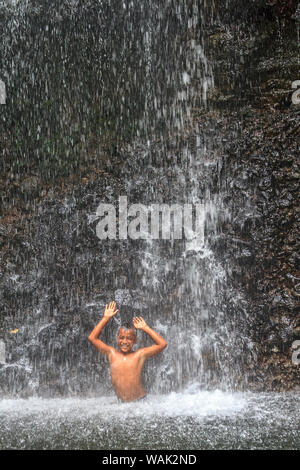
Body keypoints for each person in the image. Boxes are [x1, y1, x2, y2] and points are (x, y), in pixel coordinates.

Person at [88, 301, 167, 402]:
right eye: (122, 338)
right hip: (122, 406)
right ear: (117, 339)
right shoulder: (111, 353)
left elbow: (162, 344)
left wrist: (145, 328)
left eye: (129, 338)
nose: (125, 341)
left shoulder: (139, 355)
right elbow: (92, 338)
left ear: (135, 341)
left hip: (140, 402)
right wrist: (105, 318)